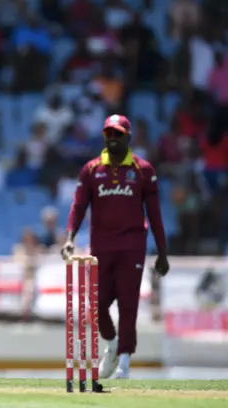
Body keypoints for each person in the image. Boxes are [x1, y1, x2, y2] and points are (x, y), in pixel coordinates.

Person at [61, 114, 170, 379]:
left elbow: (155, 214)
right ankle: (111, 343)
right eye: (108, 133)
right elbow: (78, 206)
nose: (112, 138)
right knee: (95, 305)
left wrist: (163, 253)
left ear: (128, 137)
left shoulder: (143, 170)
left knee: (128, 303)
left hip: (132, 245)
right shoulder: (91, 169)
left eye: (118, 134)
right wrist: (69, 238)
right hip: (101, 246)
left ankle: (124, 361)